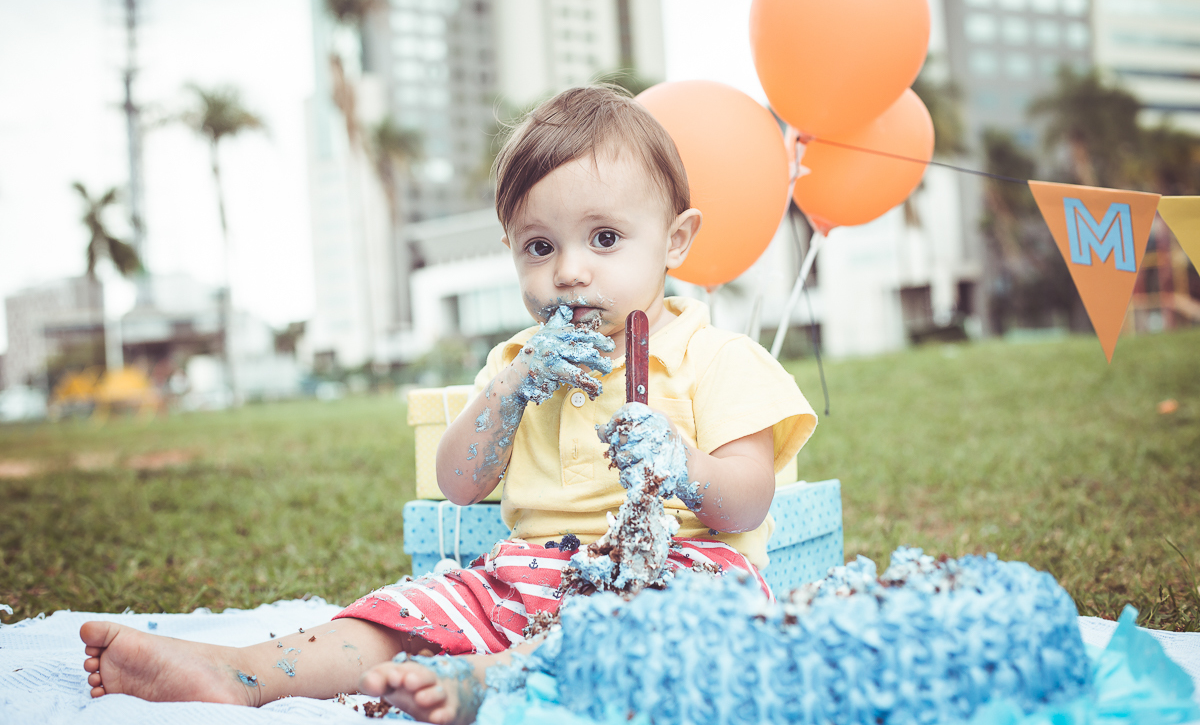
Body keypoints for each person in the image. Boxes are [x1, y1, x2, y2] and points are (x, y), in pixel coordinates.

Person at [78, 86, 817, 723]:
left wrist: (682, 463)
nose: (569, 271)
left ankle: (491, 680)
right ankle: (244, 672)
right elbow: (461, 483)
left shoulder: (717, 357)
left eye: (604, 238)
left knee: (636, 630)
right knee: (403, 614)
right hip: (530, 575)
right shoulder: (514, 363)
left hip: (675, 578)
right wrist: (512, 389)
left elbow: (747, 503)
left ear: (675, 241)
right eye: (539, 247)